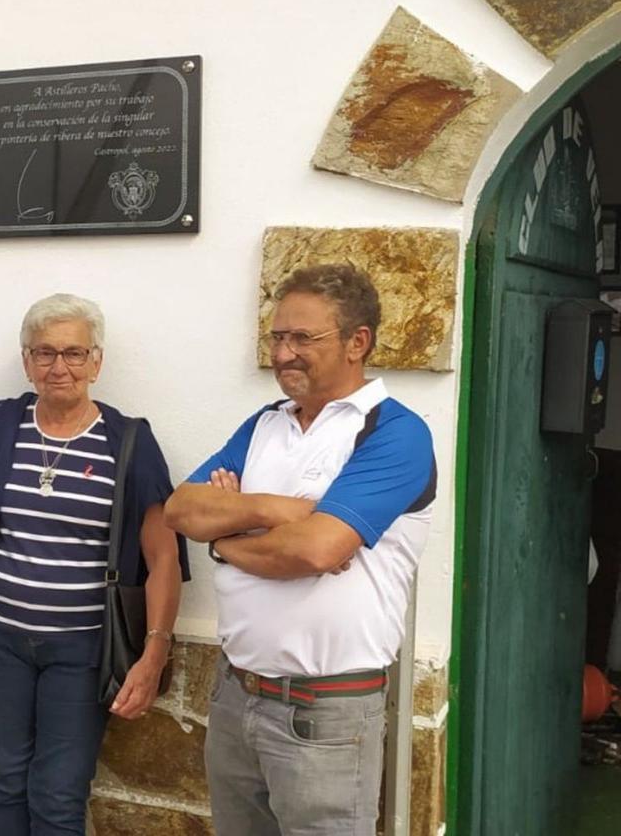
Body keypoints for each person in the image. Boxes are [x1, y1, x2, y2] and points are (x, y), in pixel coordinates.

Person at [165, 264, 436, 836]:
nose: (283, 353)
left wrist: (224, 537)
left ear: (357, 342)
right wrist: (278, 511)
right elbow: (181, 510)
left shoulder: (394, 432)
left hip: (327, 716)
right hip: (237, 697)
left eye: (302, 339)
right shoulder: (266, 424)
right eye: (277, 337)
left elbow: (316, 550)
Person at [0, 293, 189, 835]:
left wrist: (154, 653)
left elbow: (163, 558)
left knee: (59, 795)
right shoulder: (1, 424)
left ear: (96, 362)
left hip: (82, 647)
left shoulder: (127, 441)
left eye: (73, 353)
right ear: (26, 361)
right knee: (7, 783)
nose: (58, 367)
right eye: (44, 353)